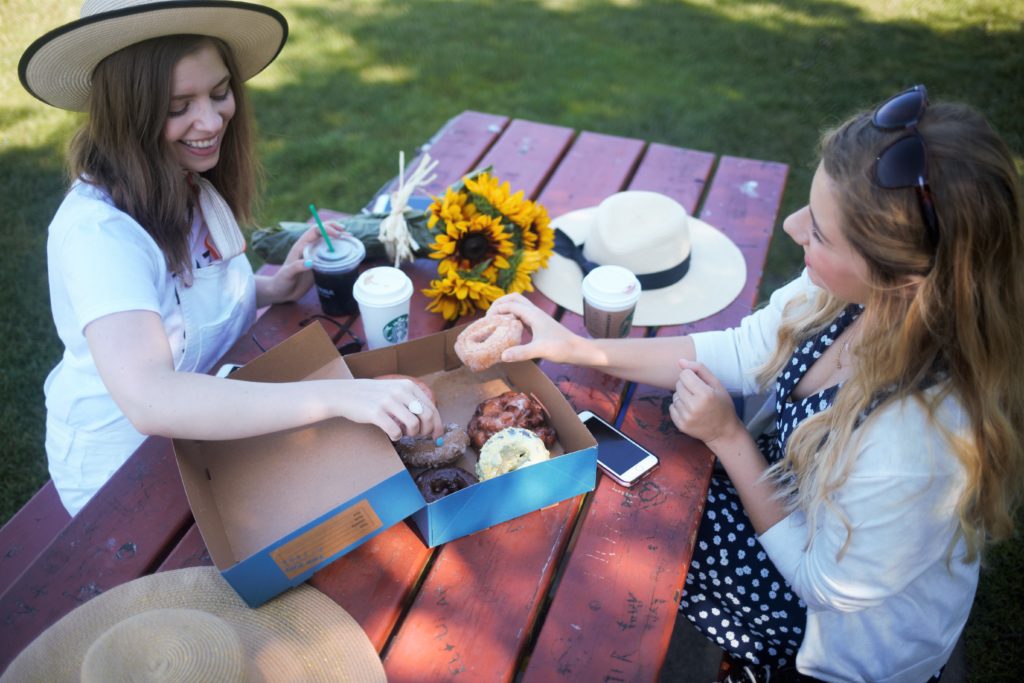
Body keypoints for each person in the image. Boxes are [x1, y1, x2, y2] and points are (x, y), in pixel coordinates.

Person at [489, 85, 1023, 682]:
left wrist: (731, 441)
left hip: (826, 631)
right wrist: (577, 347)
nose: (795, 227)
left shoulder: (915, 440)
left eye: (820, 233)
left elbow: (825, 586)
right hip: (784, 504)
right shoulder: (850, 298)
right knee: (620, 486)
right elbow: (744, 350)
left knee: (621, 536)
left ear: (902, 279)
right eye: (810, 210)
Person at [20, 0, 441, 517]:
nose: (211, 119)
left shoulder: (182, 176)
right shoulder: (98, 233)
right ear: (128, 115)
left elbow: (186, 298)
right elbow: (149, 397)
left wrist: (272, 287)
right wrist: (338, 396)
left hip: (213, 427)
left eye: (220, 93)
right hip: (125, 476)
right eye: (179, 107)